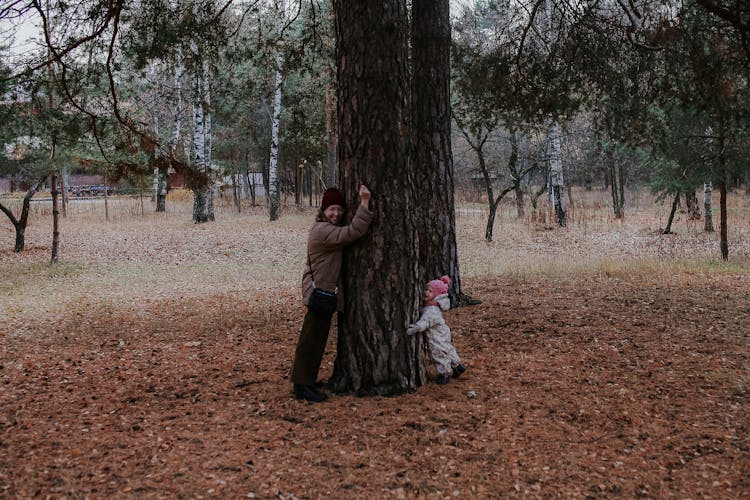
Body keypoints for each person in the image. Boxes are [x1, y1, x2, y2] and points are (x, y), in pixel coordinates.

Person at [291, 185, 373, 402]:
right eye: (331, 210)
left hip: (323, 292)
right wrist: (364, 203)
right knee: (311, 339)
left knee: (316, 338)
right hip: (320, 294)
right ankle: (301, 385)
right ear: (323, 211)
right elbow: (353, 232)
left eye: (339, 210)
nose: (336, 214)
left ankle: (306, 379)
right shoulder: (323, 231)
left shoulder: (324, 227)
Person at [406, 276, 467, 384]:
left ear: (437, 296)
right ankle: (457, 366)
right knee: (447, 349)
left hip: (435, 335)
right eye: (426, 289)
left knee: (438, 353)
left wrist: (416, 328)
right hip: (442, 332)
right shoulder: (431, 306)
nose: (426, 292)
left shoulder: (431, 310)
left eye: (430, 291)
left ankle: (444, 373)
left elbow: (426, 321)